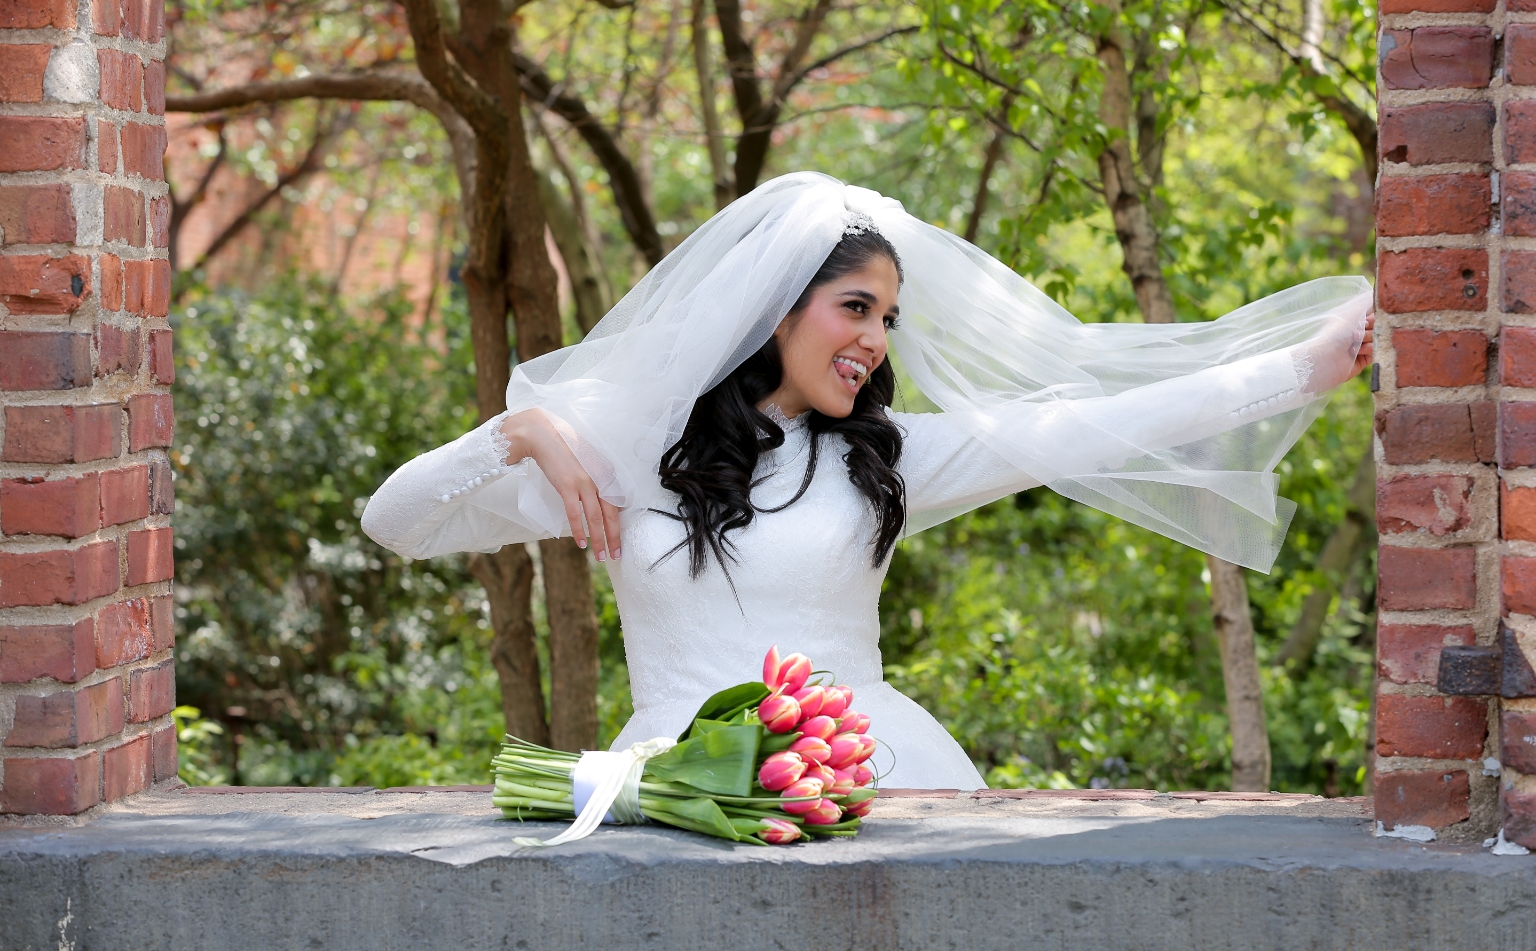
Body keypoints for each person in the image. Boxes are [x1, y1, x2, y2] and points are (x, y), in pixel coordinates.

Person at [362, 173, 1373, 789]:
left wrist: (1303, 368)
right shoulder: (627, 459)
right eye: (855, 307)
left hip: (868, 782)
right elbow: (395, 520)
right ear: (775, 308)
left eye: (887, 317)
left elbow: (1087, 426)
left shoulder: (885, 461)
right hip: (673, 793)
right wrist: (520, 432)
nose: (876, 339)